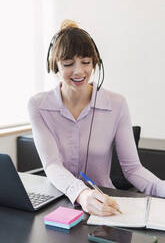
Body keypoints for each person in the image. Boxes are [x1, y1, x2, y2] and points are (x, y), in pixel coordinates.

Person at [28, 19, 165, 216]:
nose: (79, 71)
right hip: (57, 203)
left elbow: (133, 169)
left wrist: (161, 188)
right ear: (54, 65)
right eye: (68, 63)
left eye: (86, 62)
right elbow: (52, 165)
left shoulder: (116, 104)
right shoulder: (38, 106)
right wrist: (82, 194)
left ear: (95, 63)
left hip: (104, 202)